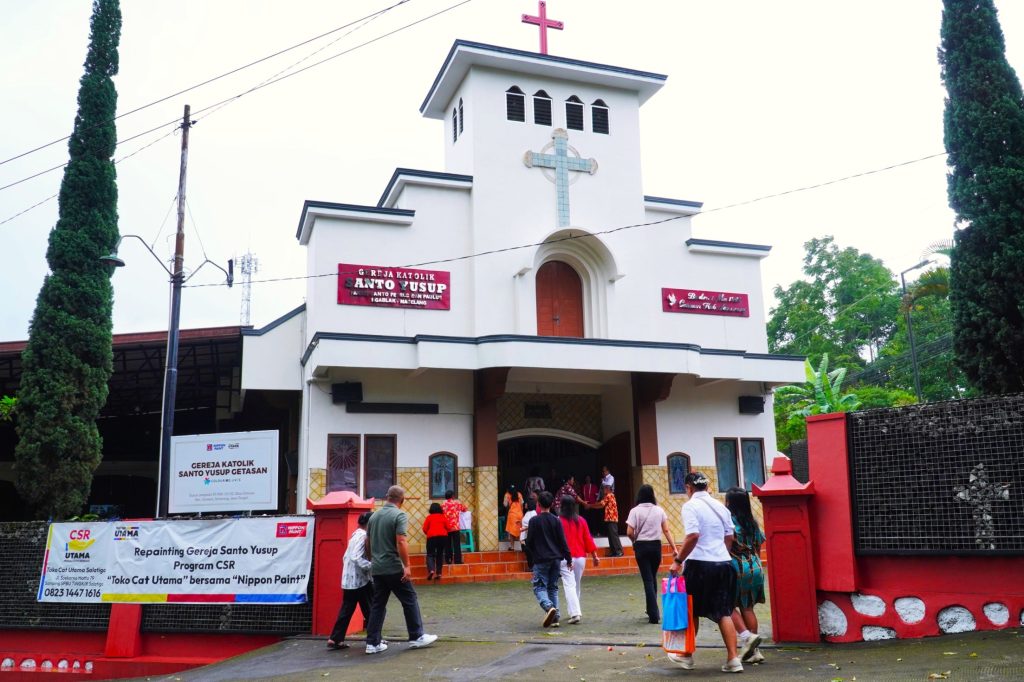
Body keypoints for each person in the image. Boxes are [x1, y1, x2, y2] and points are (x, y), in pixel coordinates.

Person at [667, 472, 758, 673]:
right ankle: (734, 659)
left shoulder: (690, 506)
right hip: (724, 564)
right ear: (707, 487)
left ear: (688, 488)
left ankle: (686, 655)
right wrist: (721, 555)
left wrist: (678, 561)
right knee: (724, 611)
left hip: (700, 565)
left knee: (692, 611)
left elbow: (692, 536)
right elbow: (730, 536)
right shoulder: (720, 506)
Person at [364, 485, 438, 654]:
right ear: (402, 501)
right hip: (394, 567)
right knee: (409, 599)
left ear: (387, 497)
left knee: (378, 605)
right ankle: (416, 636)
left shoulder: (374, 517)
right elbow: (401, 541)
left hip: (378, 568)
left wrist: (371, 559)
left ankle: (372, 643)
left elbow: (367, 542)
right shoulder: (399, 515)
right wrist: (407, 566)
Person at [625, 484, 678, 624]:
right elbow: (666, 530)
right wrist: (674, 548)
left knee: (648, 580)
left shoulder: (634, 511)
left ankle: (653, 614)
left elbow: (629, 532)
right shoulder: (659, 510)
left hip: (641, 547)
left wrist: (634, 540)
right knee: (652, 577)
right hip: (656, 547)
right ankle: (651, 609)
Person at [726, 486, 767, 665]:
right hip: (755, 566)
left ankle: (747, 638)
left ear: (729, 502)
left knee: (726, 604)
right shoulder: (752, 522)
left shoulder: (729, 522)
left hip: (736, 568)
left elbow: (725, 546)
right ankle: (755, 651)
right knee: (748, 607)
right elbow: (759, 546)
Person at [524, 491, 572, 629]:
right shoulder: (556, 520)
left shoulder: (534, 521)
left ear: (538, 504)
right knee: (553, 587)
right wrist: (568, 559)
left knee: (539, 586)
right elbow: (563, 541)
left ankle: (549, 607)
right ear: (551, 504)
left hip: (541, 559)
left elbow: (530, 542)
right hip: (556, 559)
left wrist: (532, 555)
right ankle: (555, 618)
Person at [327, 511, 374, 650]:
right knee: (371, 609)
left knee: (346, 610)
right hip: (360, 580)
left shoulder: (354, 536)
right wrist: (372, 566)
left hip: (348, 580)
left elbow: (346, 556)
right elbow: (356, 557)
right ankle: (374, 639)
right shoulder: (363, 536)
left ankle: (335, 638)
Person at [558, 496, 600, 624]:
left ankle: (575, 613)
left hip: (566, 558)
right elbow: (588, 539)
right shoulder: (581, 520)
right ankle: (573, 611)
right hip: (581, 557)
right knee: (575, 585)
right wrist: (594, 555)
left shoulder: (559, 521)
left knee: (569, 585)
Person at [589, 482, 624, 557]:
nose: (603, 490)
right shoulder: (609, 495)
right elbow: (601, 505)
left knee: (613, 535)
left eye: (604, 488)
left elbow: (601, 504)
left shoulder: (609, 495)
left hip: (612, 518)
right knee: (610, 535)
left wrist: (590, 506)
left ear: (608, 489)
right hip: (609, 518)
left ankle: (619, 551)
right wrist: (592, 506)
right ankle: (613, 551)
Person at [422, 502, 449, 581]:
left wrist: (429, 533)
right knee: (440, 555)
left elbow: (424, 529)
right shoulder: (443, 517)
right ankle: (439, 573)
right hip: (443, 537)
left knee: (430, 554)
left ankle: (431, 570)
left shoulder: (429, 517)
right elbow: (448, 527)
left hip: (432, 537)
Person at [441, 490, 468, 565]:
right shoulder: (456, 503)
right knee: (456, 544)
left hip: (446, 528)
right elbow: (465, 509)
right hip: (455, 527)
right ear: (452, 496)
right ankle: (457, 560)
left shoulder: (443, 505)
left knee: (447, 544)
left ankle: (448, 560)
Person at [519, 495, 538, 569]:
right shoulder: (527, 512)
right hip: (524, 535)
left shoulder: (533, 513)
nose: (525, 504)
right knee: (527, 551)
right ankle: (531, 566)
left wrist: (523, 529)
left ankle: (532, 566)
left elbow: (533, 526)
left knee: (529, 551)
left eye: (526, 503)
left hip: (529, 536)